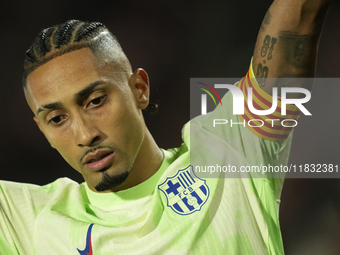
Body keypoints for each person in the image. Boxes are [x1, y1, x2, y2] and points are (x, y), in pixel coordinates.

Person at [0, 0, 332, 254]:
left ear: (139, 89)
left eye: (96, 101)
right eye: (57, 119)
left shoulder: (228, 154)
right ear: (41, 129)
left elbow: (300, 15)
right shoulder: (27, 219)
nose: (85, 135)